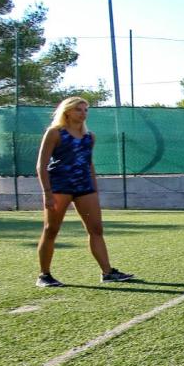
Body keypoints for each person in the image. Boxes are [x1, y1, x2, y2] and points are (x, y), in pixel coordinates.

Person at [34, 97, 135, 287]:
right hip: (60, 187)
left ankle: (107, 272)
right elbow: (41, 165)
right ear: (67, 111)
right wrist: (47, 193)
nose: (83, 113)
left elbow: (89, 164)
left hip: (84, 188)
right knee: (51, 230)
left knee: (96, 229)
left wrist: (94, 188)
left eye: (85, 110)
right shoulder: (54, 133)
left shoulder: (89, 137)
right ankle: (44, 276)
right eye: (78, 109)